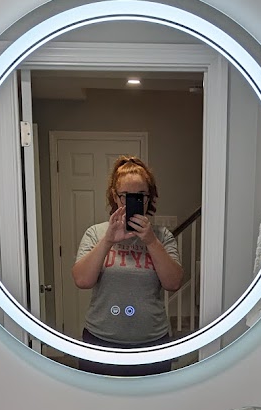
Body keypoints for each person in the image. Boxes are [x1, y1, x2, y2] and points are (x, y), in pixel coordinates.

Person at [72, 156, 184, 375]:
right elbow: (82, 280)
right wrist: (108, 240)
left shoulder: (162, 236)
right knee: (99, 398)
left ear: (149, 198)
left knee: (152, 398)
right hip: (100, 342)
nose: (133, 201)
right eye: (126, 196)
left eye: (140, 195)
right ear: (115, 196)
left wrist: (151, 241)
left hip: (152, 344)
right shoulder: (96, 234)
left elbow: (173, 283)